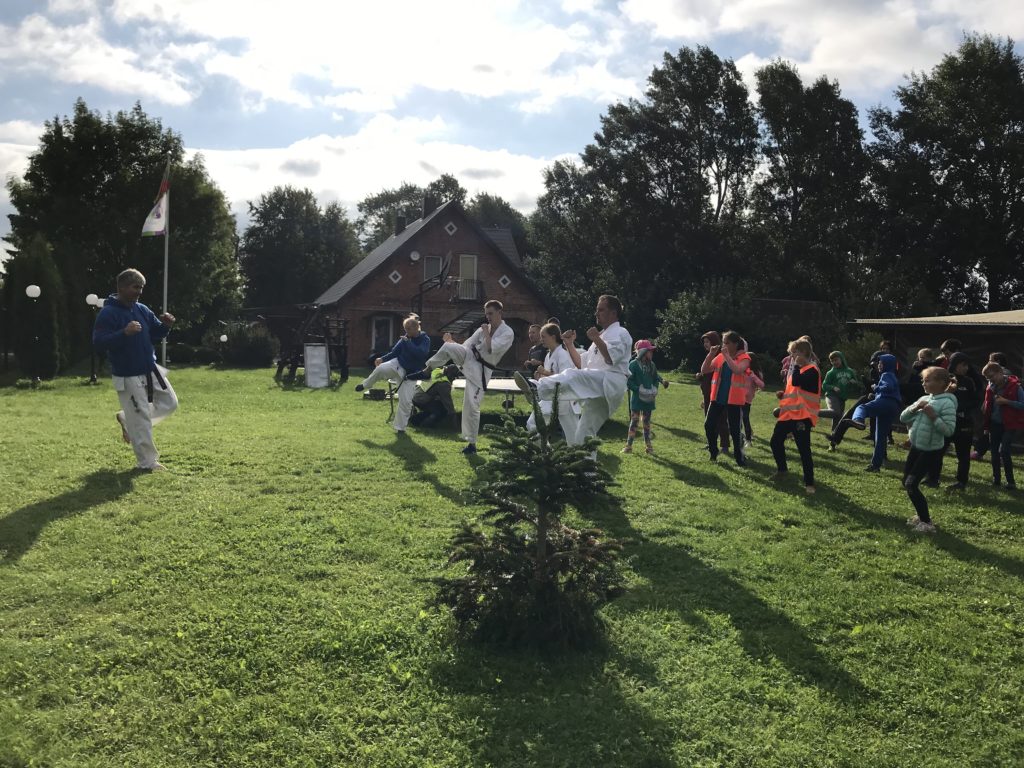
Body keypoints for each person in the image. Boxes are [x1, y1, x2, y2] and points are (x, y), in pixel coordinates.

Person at [514, 295, 632, 449]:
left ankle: (538, 388)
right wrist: (569, 344)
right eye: (597, 310)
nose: (596, 314)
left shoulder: (621, 333)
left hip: (609, 380)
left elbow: (610, 359)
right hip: (600, 386)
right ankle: (587, 470)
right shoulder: (603, 335)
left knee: (572, 374)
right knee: (584, 433)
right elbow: (581, 364)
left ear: (613, 313)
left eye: (601, 310)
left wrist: (596, 338)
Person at [92, 268, 178, 472]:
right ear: (121, 287)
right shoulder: (108, 313)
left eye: (141, 287)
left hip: (150, 368)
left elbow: (155, 334)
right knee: (140, 420)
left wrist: (165, 325)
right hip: (127, 374)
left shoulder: (143, 309)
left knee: (170, 403)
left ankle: (126, 417)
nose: (139, 291)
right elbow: (98, 343)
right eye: (135, 287)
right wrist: (124, 333)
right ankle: (147, 463)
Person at [426, 299, 515, 454]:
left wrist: (487, 333)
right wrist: (452, 342)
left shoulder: (507, 332)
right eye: (486, 313)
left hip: (481, 371)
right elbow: (466, 346)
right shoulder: (482, 329)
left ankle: (471, 444)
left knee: (471, 406)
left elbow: (490, 348)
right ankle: (427, 368)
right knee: (448, 346)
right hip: (469, 359)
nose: (488, 316)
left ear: (500, 313)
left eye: (491, 313)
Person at [900, 366, 958, 532]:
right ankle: (920, 515)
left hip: (931, 450)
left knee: (911, 484)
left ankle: (926, 523)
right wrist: (915, 408)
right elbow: (903, 417)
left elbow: (948, 430)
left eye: (927, 380)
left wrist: (933, 416)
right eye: (923, 380)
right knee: (906, 482)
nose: (924, 383)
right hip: (917, 446)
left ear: (940, 383)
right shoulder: (924, 398)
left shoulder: (947, 403)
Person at [355, 314, 431, 433]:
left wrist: (408, 343)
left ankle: (400, 428)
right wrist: (382, 359)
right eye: (405, 329)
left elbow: (421, 354)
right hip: (397, 364)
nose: (406, 332)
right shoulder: (405, 338)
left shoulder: (425, 339)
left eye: (408, 329)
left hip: (411, 374)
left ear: (416, 328)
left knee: (405, 402)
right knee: (380, 369)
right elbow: (394, 352)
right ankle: (366, 385)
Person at [831, 353, 901, 471]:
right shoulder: (892, 374)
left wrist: (876, 388)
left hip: (886, 402)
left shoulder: (886, 375)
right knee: (880, 436)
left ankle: (858, 421)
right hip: (892, 406)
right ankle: (875, 465)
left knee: (861, 408)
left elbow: (887, 387)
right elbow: (890, 390)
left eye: (881, 363)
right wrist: (875, 394)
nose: (878, 365)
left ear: (887, 365)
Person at [770, 339, 820, 494]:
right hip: (788, 415)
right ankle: (782, 470)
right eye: (791, 353)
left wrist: (797, 366)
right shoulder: (797, 371)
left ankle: (809, 483)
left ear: (803, 352)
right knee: (775, 442)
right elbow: (796, 391)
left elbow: (799, 382)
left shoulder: (812, 370)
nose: (792, 356)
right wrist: (783, 394)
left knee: (804, 450)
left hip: (802, 417)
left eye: (794, 352)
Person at [930, 351, 980, 490]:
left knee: (963, 455)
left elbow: (976, 400)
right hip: (946, 422)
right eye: (963, 365)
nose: (966, 368)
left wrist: (961, 407)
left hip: (964, 424)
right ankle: (933, 479)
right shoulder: (944, 379)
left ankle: (961, 482)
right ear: (954, 364)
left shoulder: (969, 381)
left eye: (967, 365)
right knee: (937, 451)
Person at [700, 330, 751, 466]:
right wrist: (711, 355)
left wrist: (727, 356)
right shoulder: (720, 357)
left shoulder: (744, 358)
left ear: (735, 344)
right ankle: (713, 451)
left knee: (734, 430)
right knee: (708, 425)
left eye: (726, 343)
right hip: (717, 398)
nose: (724, 345)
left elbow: (737, 370)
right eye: (723, 342)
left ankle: (739, 456)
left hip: (734, 400)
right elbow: (705, 370)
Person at [526, 322, 580, 440]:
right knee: (532, 425)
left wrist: (545, 373)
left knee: (574, 435)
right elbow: (549, 378)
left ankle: (585, 456)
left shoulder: (563, 354)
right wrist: (540, 377)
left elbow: (566, 378)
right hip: (549, 398)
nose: (541, 339)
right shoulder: (548, 355)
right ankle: (545, 452)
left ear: (553, 337)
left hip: (566, 399)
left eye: (543, 336)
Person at [982, 361, 1024, 490]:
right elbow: (987, 406)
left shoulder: (1016, 387)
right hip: (994, 424)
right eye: (988, 378)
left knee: (1004, 451)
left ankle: (1011, 482)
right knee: (994, 452)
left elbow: (1022, 405)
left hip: (1009, 424)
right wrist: (986, 424)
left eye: (992, 376)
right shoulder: (990, 387)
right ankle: (996, 479)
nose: (991, 380)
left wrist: (1007, 402)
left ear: (1000, 372)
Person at [623, 339, 668, 454]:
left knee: (647, 423)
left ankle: (649, 447)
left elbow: (655, 377)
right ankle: (628, 446)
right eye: (649, 351)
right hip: (637, 399)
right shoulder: (633, 365)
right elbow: (628, 380)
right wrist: (638, 389)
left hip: (649, 399)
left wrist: (656, 388)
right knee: (634, 421)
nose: (651, 353)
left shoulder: (652, 365)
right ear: (642, 352)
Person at [697, 331, 731, 456]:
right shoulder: (710, 355)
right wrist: (700, 376)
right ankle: (712, 443)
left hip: (719, 394)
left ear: (715, 342)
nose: (706, 344)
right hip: (708, 394)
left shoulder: (722, 356)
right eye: (704, 342)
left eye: (708, 341)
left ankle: (725, 445)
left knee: (722, 419)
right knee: (709, 420)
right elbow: (705, 371)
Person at [821, 350, 859, 436]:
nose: (834, 362)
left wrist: (854, 383)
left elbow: (857, 386)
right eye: (832, 361)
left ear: (841, 359)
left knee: (838, 417)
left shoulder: (850, 371)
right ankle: (813, 412)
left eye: (836, 360)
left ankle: (834, 437)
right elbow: (824, 385)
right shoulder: (830, 373)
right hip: (831, 396)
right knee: (835, 412)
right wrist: (833, 387)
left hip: (842, 397)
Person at [410, 364, 460, 429]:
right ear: (451, 375)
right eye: (454, 377)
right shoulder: (444, 383)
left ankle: (415, 418)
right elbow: (449, 404)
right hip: (421, 399)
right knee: (442, 410)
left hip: (416, 394)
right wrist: (455, 424)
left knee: (438, 404)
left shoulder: (437, 370)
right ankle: (420, 422)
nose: (454, 379)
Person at [740, 341, 764, 450]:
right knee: (736, 418)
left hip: (747, 400)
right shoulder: (742, 370)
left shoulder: (755, 373)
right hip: (737, 398)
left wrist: (752, 375)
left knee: (745, 418)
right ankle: (739, 436)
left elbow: (762, 385)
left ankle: (748, 440)